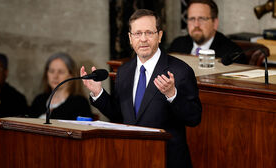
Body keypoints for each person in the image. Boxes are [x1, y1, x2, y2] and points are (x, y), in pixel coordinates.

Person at [81, 9, 202, 168]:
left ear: (159, 36)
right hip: (131, 157)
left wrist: (172, 95)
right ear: (130, 38)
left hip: (167, 160)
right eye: (137, 33)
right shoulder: (124, 71)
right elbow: (120, 117)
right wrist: (98, 93)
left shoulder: (180, 71)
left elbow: (194, 118)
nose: (143, 39)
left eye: (149, 33)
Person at [168, 0, 247, 65]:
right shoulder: (177, 45)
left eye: (202, 19)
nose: (196, 25)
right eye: (192, 19)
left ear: (215, 23)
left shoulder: (231, 53)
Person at [29, 52, 93, 120]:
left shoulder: (80, 103)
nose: (55, 76)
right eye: (51, 71)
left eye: (61, 72)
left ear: (71, 75)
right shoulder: (39, 100)